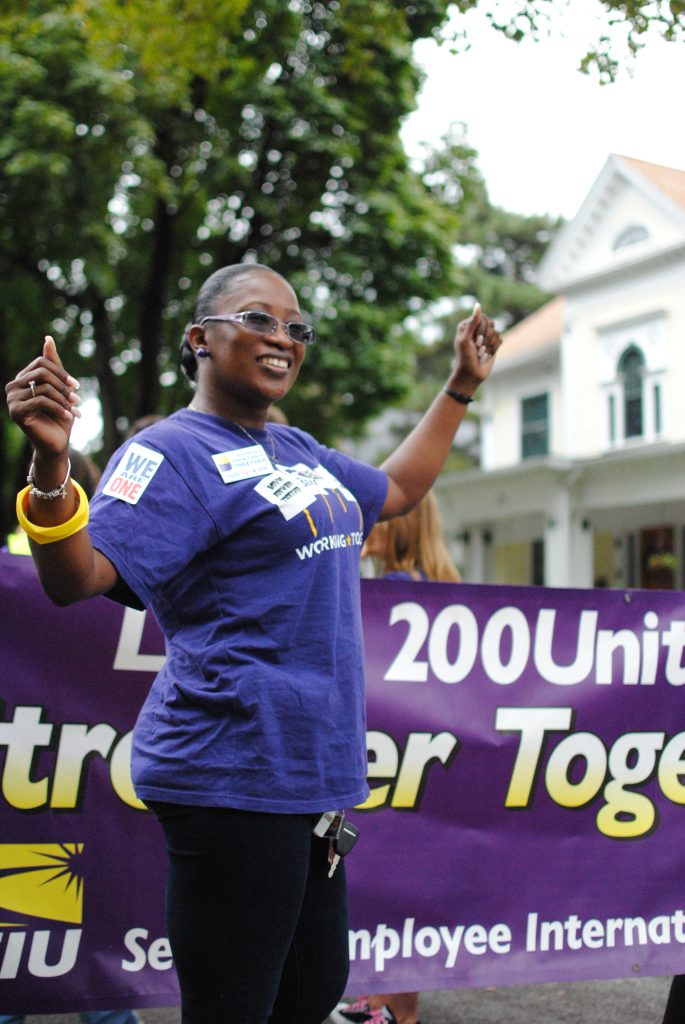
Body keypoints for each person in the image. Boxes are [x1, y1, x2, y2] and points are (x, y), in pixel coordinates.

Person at [4, 262, 500, 1024]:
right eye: (258, 319)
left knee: (308, 993)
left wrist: (459, 385)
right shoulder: (169, 452)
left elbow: (395, 491)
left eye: (295, 327)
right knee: (236, 1008)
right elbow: (79, 577)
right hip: (231, 769)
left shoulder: (296, 448)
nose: (282, 338)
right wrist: (49, 467)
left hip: (311, 775)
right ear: (200, 338)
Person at [1, 448, 141, 1024]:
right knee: (100, 963)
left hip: (32, 782)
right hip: (102, 780)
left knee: (18, 956)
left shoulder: (12, 564)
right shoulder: (119, 571)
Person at [331, 492, 460, 1024]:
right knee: (413, 881)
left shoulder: (391, 595)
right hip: (430, 762)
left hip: (388, 760)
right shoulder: (445, 589)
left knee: (382, 879)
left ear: (395, 527)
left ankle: (390, 1008)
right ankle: (391, 1002)